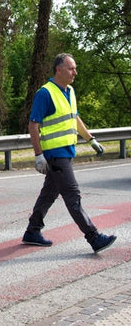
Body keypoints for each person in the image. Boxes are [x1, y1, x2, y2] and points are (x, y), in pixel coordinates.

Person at [22, 53, 117, 253]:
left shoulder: (70, 91)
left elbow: (75, 119)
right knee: (73, 196)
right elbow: (33, 125)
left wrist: (91, 139)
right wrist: (38, 155)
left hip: (67, 152)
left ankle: (32, 231)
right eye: (71, 68)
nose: (75, 72)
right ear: (59, 70)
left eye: (74, 68)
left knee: (49, 193)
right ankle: (93, 237)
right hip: (55, 155)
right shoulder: (45, 93)